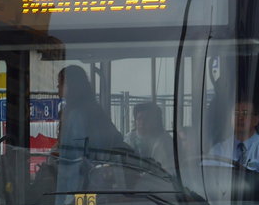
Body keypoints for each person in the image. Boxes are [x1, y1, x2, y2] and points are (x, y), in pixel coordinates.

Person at [55, 66, 125, 195]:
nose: (57, 87)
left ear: (73, 86)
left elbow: (84, 153)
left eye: (61, 83)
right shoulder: (91, 109)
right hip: (85, 184)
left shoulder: (78, 115)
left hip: (80, 186)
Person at [210, 98, 259, 175]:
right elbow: (207, 175)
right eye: (236, 113)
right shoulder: (220, 148)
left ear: (256, 120)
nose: (240, 118)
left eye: (245, 113)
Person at [126, 101, 173, 170]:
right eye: (139, 119)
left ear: (156, 121)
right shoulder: (129, 138)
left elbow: (168, 169)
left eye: (146, 119)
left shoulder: (165, 141)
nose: (142, 123)